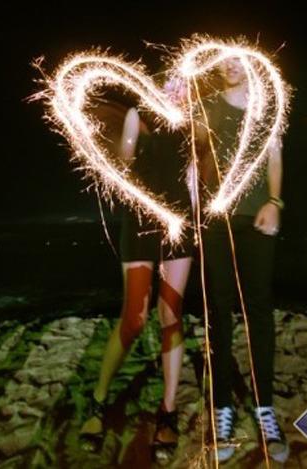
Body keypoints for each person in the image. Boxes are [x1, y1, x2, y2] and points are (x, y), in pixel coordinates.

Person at [79, 77, 193, 459]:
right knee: (134, 319)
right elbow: (123, 167)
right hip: (141, 222)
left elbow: (195, 177)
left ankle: (168, 411)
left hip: (178, 224)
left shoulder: (194, 124)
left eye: (184, 85)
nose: (176, 89)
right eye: (171, 83)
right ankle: (98, 399)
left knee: (170, 315)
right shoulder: (136, 116)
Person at [196, 57, 289, 463]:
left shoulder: (266, 107)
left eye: (238, 59)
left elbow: (274, 157)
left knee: (258, 310)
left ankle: (264, 407)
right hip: (216, 222)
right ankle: (223, 408)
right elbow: (196, 153)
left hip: (256, 219)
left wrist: (274, 202)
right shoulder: (206, 105)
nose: (231, 65)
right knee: (218, 311)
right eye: (225, 60)